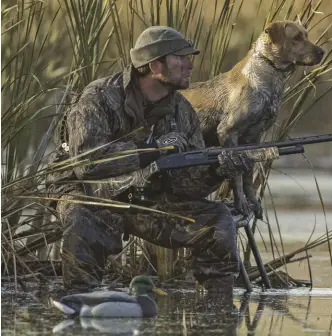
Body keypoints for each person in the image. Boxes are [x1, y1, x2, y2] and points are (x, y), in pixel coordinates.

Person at [46, 26, 256, 295]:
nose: (189, 65)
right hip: (88, 192)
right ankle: (79, 302)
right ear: (154, 65)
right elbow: (89, 164)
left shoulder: (182, 111)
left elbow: (185, 186)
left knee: (216, 219)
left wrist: (218, 170)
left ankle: (218, 308)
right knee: (81, 218)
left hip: (145, 198)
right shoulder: (98, 98)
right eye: (180, 58)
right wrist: (152, 150)